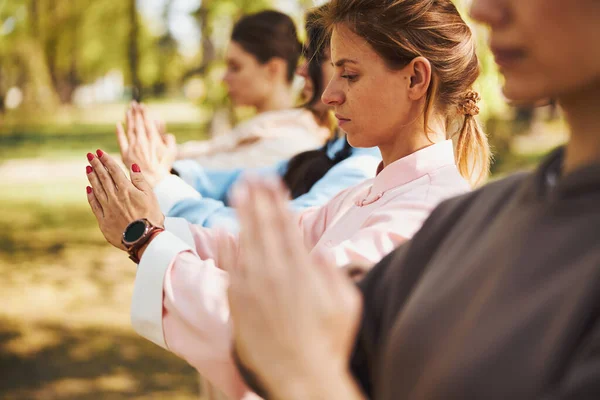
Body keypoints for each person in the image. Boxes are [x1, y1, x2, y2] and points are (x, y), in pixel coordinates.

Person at [83, 0, 491, 397]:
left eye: (349, 75)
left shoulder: (420, 214)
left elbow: (276, 332)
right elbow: (254, 252)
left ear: (415, 79)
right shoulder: (372, 192)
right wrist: (153, 224)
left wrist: (146, 239)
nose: (329, 95)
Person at [223, 0, 600, 399]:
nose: (485, 9)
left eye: (349, 74)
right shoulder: (469, 218)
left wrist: (306, 381)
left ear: (416, 79)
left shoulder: (440, 211)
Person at [118, 9, 381, 232]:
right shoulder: (334, 148)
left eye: (346, 71)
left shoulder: (352, 164)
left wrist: (162, 181)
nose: (302, 70)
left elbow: (276, 234)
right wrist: (164, 168)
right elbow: (235, 181)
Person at [157, 10, 330, 169]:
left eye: (235, 67)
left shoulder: (291, 140)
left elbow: (211, 174)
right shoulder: (258, 129)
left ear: (273, 69)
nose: (224, 78)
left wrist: (156, 156)